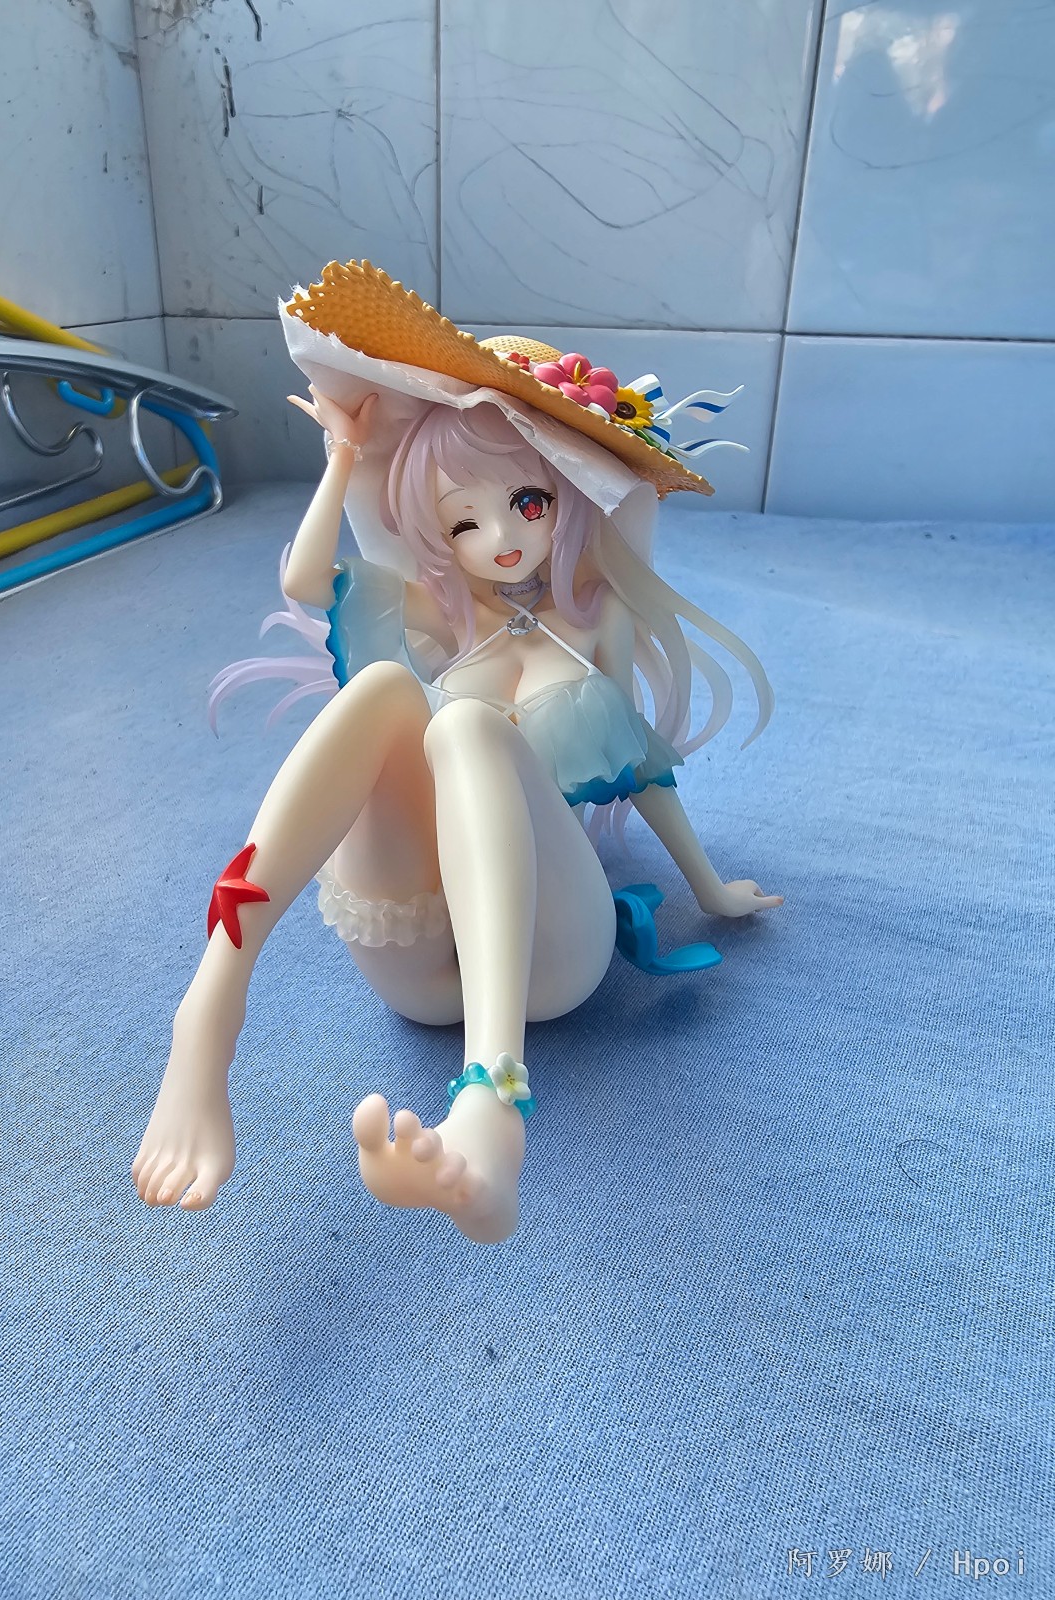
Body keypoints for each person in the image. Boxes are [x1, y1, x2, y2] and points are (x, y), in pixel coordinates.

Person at [131, 261, 783, 1245]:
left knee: (469, 725)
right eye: (463, 521)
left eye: (526, 502)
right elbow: (306, 580)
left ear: (564, 493)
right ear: (436, 535)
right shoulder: (437, 621)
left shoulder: (591, 620)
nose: (502, 538)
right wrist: (343, 458)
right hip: (414, 952)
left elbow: (638, 763)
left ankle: (491, 1097)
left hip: (549, 955)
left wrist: (710, 885)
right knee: (386, 692)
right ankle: (209, 1008)